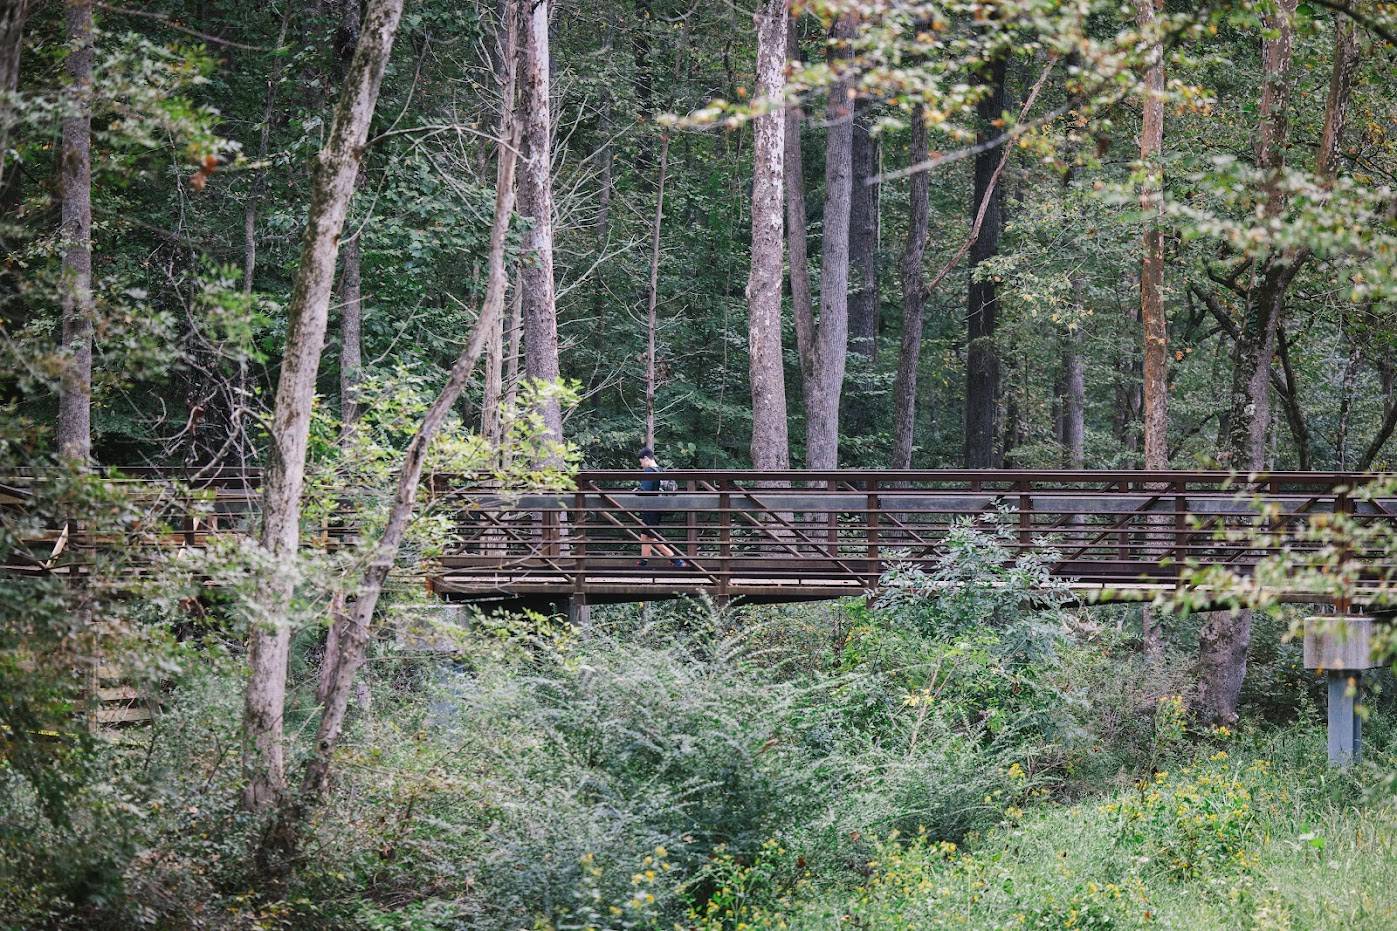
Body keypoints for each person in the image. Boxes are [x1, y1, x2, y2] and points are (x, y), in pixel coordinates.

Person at [636, 447, 687, 568]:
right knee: (645, 534)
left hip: (650, 508)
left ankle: (675, 559)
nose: (642, 465)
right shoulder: (661, 470)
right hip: (659, 507)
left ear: (646, 458)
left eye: (641, 462)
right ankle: (644, 561)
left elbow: (645, 491)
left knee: (651, 536)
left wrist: (636, 491)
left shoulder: (649, 471)